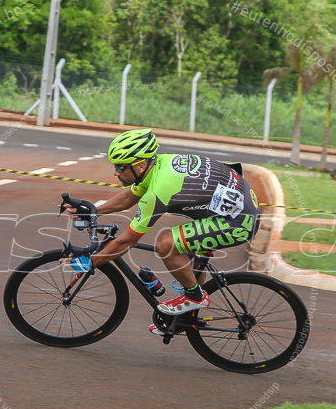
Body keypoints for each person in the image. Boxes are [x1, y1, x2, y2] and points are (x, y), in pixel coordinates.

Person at [64, 128, 261, 335]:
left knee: (166, 243)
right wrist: (94, 211)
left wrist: (90, 262)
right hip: (235, 202)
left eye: (120, 167)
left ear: (140, 165)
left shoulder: (159, 189)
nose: (116, 172)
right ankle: (183, 319)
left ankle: (195, 296)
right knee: (186, 247)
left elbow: (126, 242)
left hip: (238, 221)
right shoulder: (157, 165)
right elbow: (128, 198)